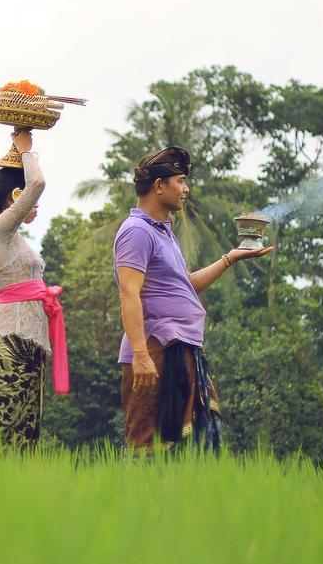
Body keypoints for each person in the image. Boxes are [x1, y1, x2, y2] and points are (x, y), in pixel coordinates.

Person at [114, 147, 272, 453]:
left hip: (181, 346)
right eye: (181, 180)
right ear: (159, 186)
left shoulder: (163, 233)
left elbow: (183, 285)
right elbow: (128, 292)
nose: (186, 189)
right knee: (149, 445)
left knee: (188, 449)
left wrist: (230, 258)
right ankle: (136, 501)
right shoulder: (136, 232)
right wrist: (141, 355)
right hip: (156, 348)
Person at [0, 129, 68, 450]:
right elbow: (37, 184)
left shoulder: (17, 240)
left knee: (25, 435)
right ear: (15, 196)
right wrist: (25, 151)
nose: (35, 204)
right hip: (10, 341)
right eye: (25, 198)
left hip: (33, 343)